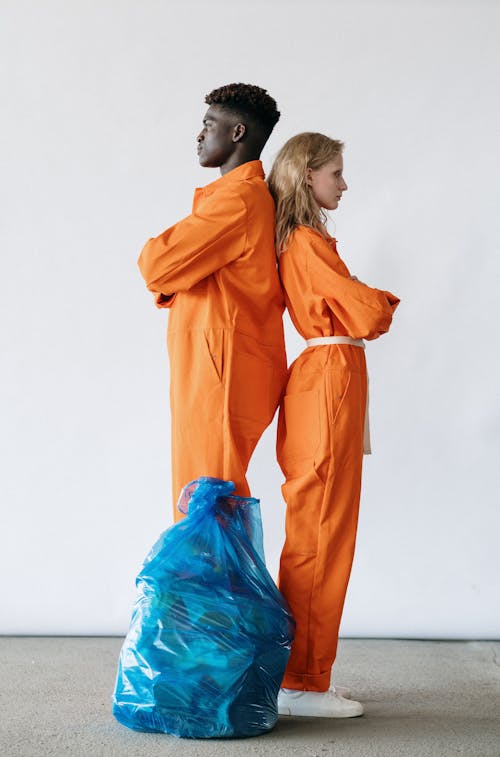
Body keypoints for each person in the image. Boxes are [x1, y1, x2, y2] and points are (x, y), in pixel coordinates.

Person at [267, 133, 400, 718]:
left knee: (318, 530)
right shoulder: (306, 242)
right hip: (328, 379)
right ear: (307, 175)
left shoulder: (304, 240)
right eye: (336, 173)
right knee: (323, 533)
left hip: (327, 375)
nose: (343, 184)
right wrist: (383, 300)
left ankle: (306, 674)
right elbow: (368, 311)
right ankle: (300, 682)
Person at [138, 84, 287, 522]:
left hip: (221, 369)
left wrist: (172, 276)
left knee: (208, 498)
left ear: (238, 132)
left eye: (208, 125)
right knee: (203, 496)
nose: (199, 135)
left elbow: (156, 263)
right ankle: (201, 592)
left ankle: (214, 593)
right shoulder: (233, 200)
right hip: (216, 364)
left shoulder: (238, 202)